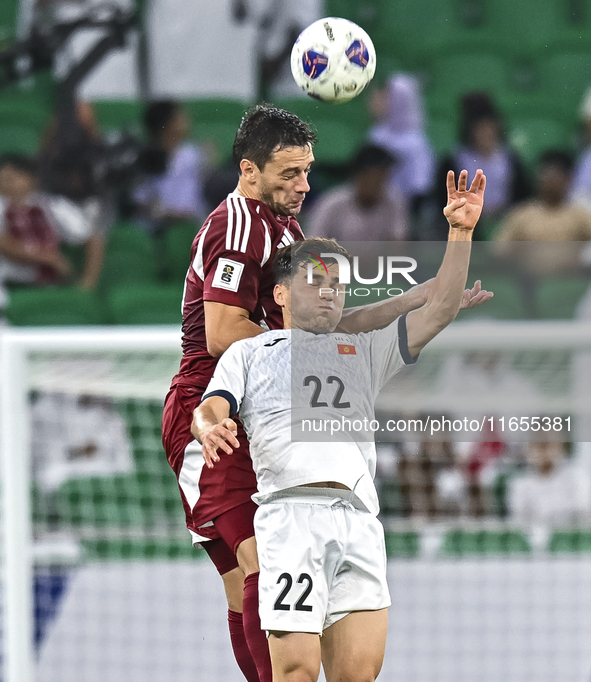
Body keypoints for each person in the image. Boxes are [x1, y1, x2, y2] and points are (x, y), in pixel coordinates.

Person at [160, 103, 491, 682]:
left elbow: (328, 325)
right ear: (248, 171)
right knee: (261, 561)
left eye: (308, 171)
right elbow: (222, 333)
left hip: (271, 404)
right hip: (214, 402)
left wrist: (421, 295)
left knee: (246, 592)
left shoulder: (287, 231)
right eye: (289, 173)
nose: (303, 185)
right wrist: (287, 359)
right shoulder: (239, 224)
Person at [435, 93, 530, 239]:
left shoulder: (510, 159)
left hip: (505, 222)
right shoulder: (453, 161)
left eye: (489, 128)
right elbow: (443, 200)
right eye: (480, 129)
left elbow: (523, 198)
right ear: (470, 131)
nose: (486, 134)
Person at [0, 153, 92, 291]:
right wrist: (50, 258)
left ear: (31, 179)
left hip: (49, 284)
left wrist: (85, 279)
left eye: (11, 178)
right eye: (2, 179)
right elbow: (4, 244)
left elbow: (88, 235)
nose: (5, 184)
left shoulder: (52, 204)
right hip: (9, 283)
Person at [494, 150, 591, 278]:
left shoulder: (578, 215)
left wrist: (580, 262)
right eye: (546, 177)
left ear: (567, 180)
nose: (550, 183)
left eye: (555, 178)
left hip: (569, 280)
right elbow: (499, 250)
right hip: (529, 281)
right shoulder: (522, 214)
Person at [133, 100, 208, 234]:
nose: (186, 120)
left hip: (191, 223)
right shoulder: (146, 158)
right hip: (157, 227)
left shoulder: (191, 154)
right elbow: (141, 202)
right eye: (180, 116)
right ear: (168, 124)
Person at [307, 144, 408, 241]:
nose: (379, 184)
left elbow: (397, 243)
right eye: (375, 178)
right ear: (359, 175)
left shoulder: (393, 202)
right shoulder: (331, 204)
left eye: (384, 178)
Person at [368, 73, 435, 214]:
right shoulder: (376, 134)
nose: (373, 101)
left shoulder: (417, 143)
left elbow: (420, 188)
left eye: (383, 96)